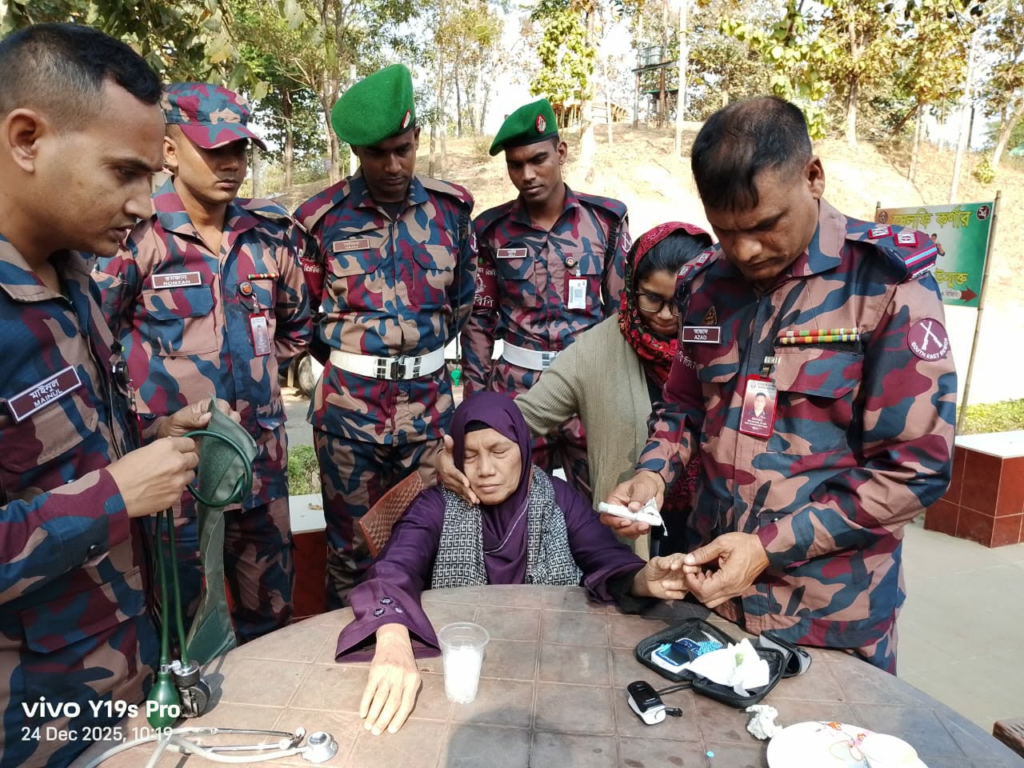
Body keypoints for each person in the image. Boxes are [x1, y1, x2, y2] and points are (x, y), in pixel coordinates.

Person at [607, 96, 957, 673]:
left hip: (829, 617)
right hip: (714, 601)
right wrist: (652, 474)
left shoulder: (888, 287)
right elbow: (683, 409)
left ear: (813, 177)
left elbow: (913, 469)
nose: (744, 250)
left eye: (765, 225)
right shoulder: (703, 282)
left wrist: (766, 549)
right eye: (725, 231)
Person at [0, 24, 233, 766]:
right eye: (125, 172)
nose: (144, 204)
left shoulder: (74, 283)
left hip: (122, 684)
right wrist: (114, 494)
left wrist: (156, 435)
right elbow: (100, 493)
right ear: (28, 139)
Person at [334, 393, 690, 736]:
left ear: (523, 447)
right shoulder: (436, 507)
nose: (485, 469)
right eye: (470, 456)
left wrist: (642, 580)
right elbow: (394, 568)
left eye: (499, 451)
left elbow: (606, 557)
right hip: (462, 676)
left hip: (549, 671)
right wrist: (394, 638)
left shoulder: (557, 499)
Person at [95, 83, 311, 642]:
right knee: (186, 633)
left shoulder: (269, 234)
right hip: (179, 476)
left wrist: (256, 385)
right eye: (214, 150)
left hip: (261, 469)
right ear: (169, 151)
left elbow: (296, 326)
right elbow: (97, 347)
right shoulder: (135, 238)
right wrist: (148, 424)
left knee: (274, 623)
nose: (232, 163)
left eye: (240, 150)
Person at [293, 64, 476, 607]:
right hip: (349, 416)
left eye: (403, 148)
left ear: (417, 136)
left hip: (429, 415)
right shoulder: (320, 219)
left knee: (435, 539)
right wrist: (362, 364)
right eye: (378, 154)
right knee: (351, 550)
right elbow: (305, 319)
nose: (393, 166)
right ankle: (351, 655)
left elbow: (459, 305)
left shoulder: (451, 212)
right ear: (357, 153)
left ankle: (422, 647)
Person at [440, 223, 711, 557]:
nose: (668, 316)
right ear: (631, 286)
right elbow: (519, 419)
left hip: (716, 526)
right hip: (636, 537)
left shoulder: (724, 345)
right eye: (653, 299)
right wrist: (458, 451)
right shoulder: (595, 352)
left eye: (681, 301)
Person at [460, 98, 630, 499]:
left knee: (604, 508)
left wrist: (623, 391)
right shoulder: (491, 230)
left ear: (561, 152)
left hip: (588, 387)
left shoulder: (604, 220)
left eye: (538, 159)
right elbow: (479, 323)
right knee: (513, 509)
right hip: (518, 392)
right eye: (515, 165)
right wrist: (476, 403)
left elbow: (623, 313)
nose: (527, 174)